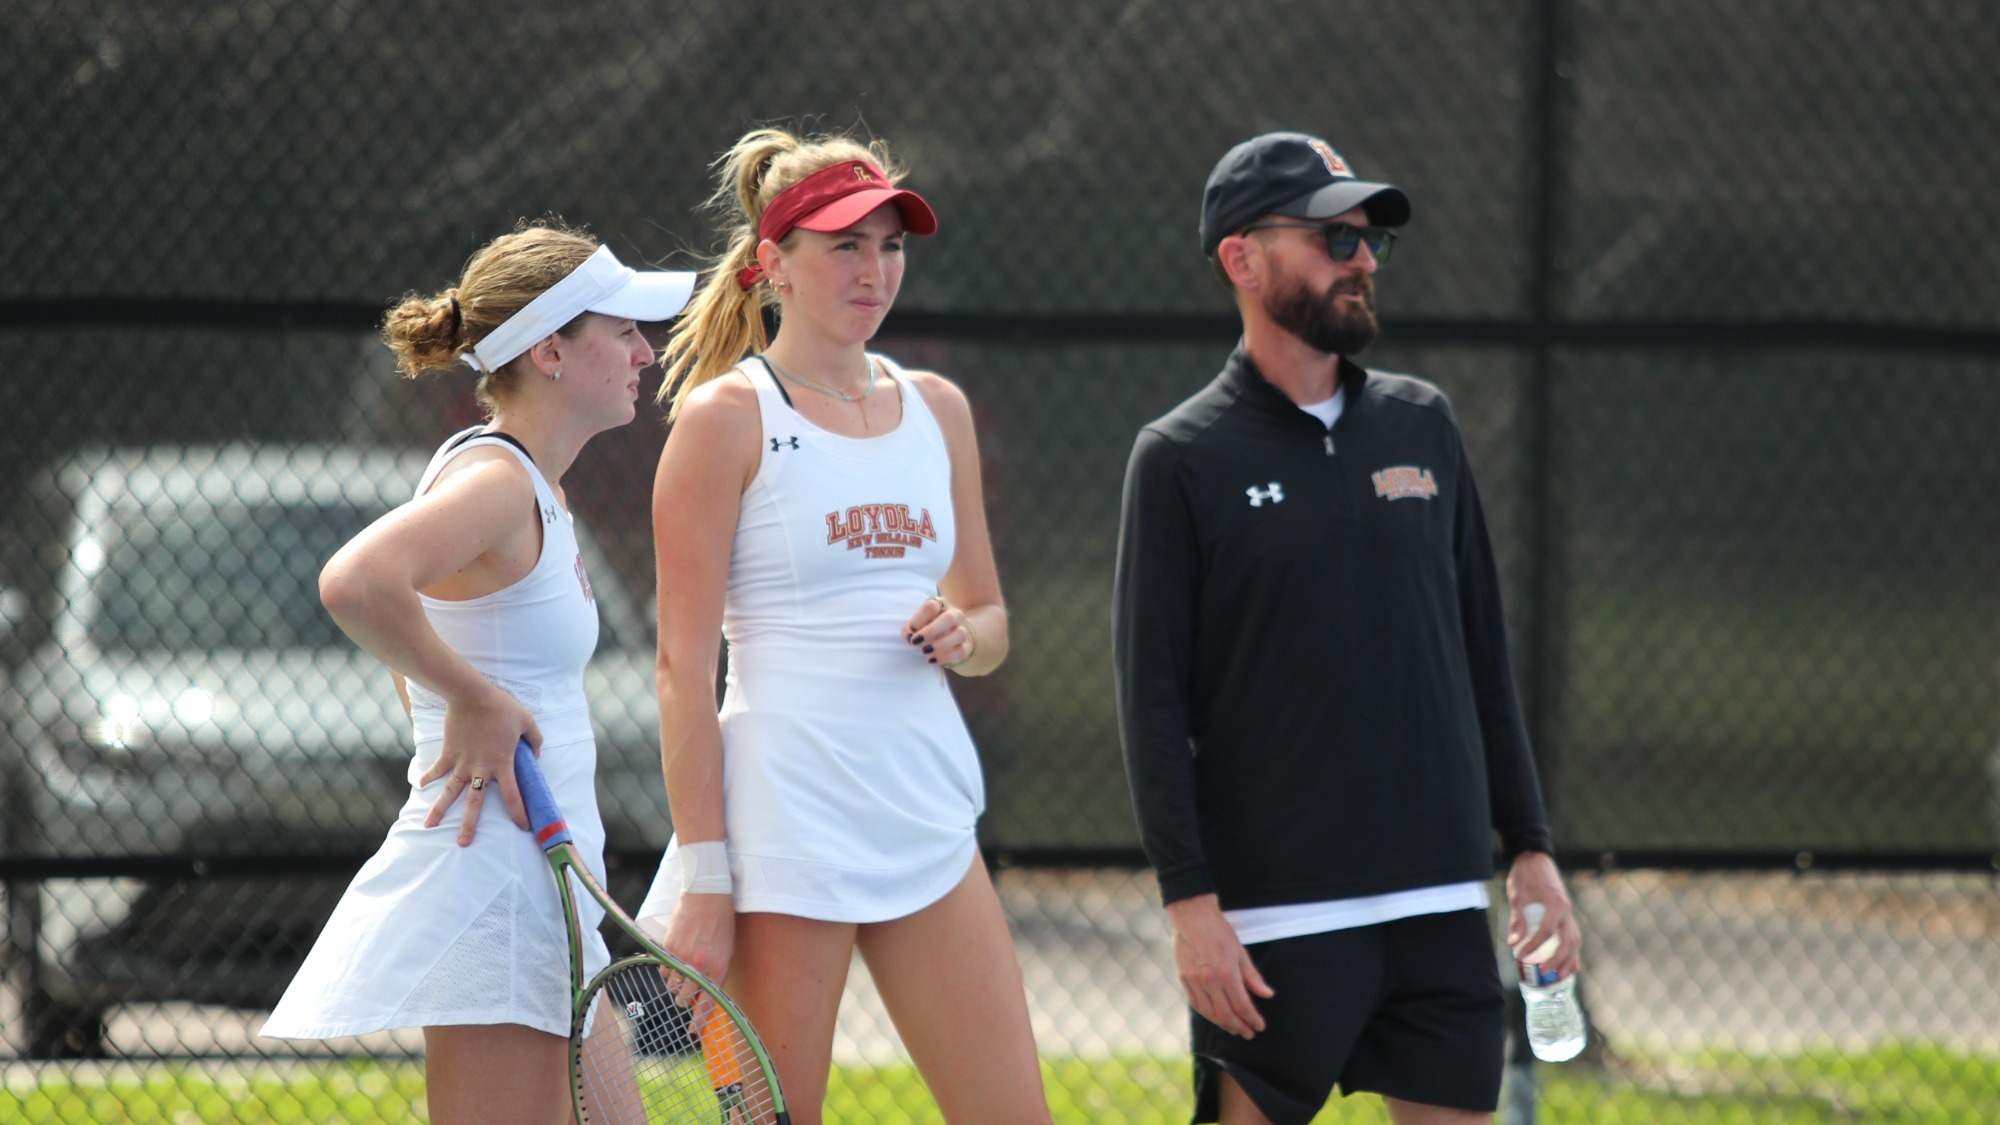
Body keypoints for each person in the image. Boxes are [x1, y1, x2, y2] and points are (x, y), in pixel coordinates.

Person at [1113, 132, 1584, 1125]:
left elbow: (1481, 654)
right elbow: (1148, 701)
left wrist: (1529, 849)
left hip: (1439, 904)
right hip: (1274, 918)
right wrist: (1190, 908)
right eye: (1333, 237)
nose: (1362, 258)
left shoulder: (1423, 423)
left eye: (1369, 239)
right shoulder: (1178, 458)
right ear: (1241, 259)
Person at [632, 126, 1052, 1125]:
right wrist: (705, 877)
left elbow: (990, 619)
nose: (875, 270)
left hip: (925, 816)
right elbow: (678, 669)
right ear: (772, 264)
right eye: (844, 246)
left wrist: (965, 633)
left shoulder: (937, 408)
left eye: (890, 244)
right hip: (781, 828)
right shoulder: (723, 419)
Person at [261, 223, 696, 1125]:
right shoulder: (497, 480)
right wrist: (469, 698)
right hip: (494, 888)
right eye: (621, 332)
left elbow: (421, 628)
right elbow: (356, 581)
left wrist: (454, 698)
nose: (644, 353)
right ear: (549, 350)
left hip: (543, 882)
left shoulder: (535, 486)